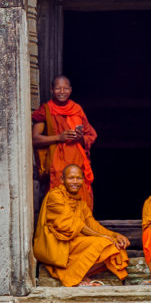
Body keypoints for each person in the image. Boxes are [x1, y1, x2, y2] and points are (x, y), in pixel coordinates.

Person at [33, 164, 130, 287]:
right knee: (104, 243)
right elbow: (73, 224)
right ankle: (75, 277)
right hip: (58, 244)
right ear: (62, 180)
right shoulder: (55, 196)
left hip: (75, 242)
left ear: (83, 180)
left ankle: (77, 275)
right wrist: (102, 237)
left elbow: (92, 224)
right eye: (71, 178)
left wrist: (114, 235)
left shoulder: (81, 203)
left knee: (117, 247)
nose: (75, 181)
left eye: (78, 178)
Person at [32, 75, 97, 208]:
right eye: (58, 88)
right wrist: (58, 138)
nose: (62, 92)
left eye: (65, 88)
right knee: (59, 196)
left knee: (81, 195)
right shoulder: (46, 110)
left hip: (78, 160)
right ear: (51, 90)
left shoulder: (77, 109)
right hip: (57, 162)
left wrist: (80, 138)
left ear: (70, 90)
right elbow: (35, 139)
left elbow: (91, 135)